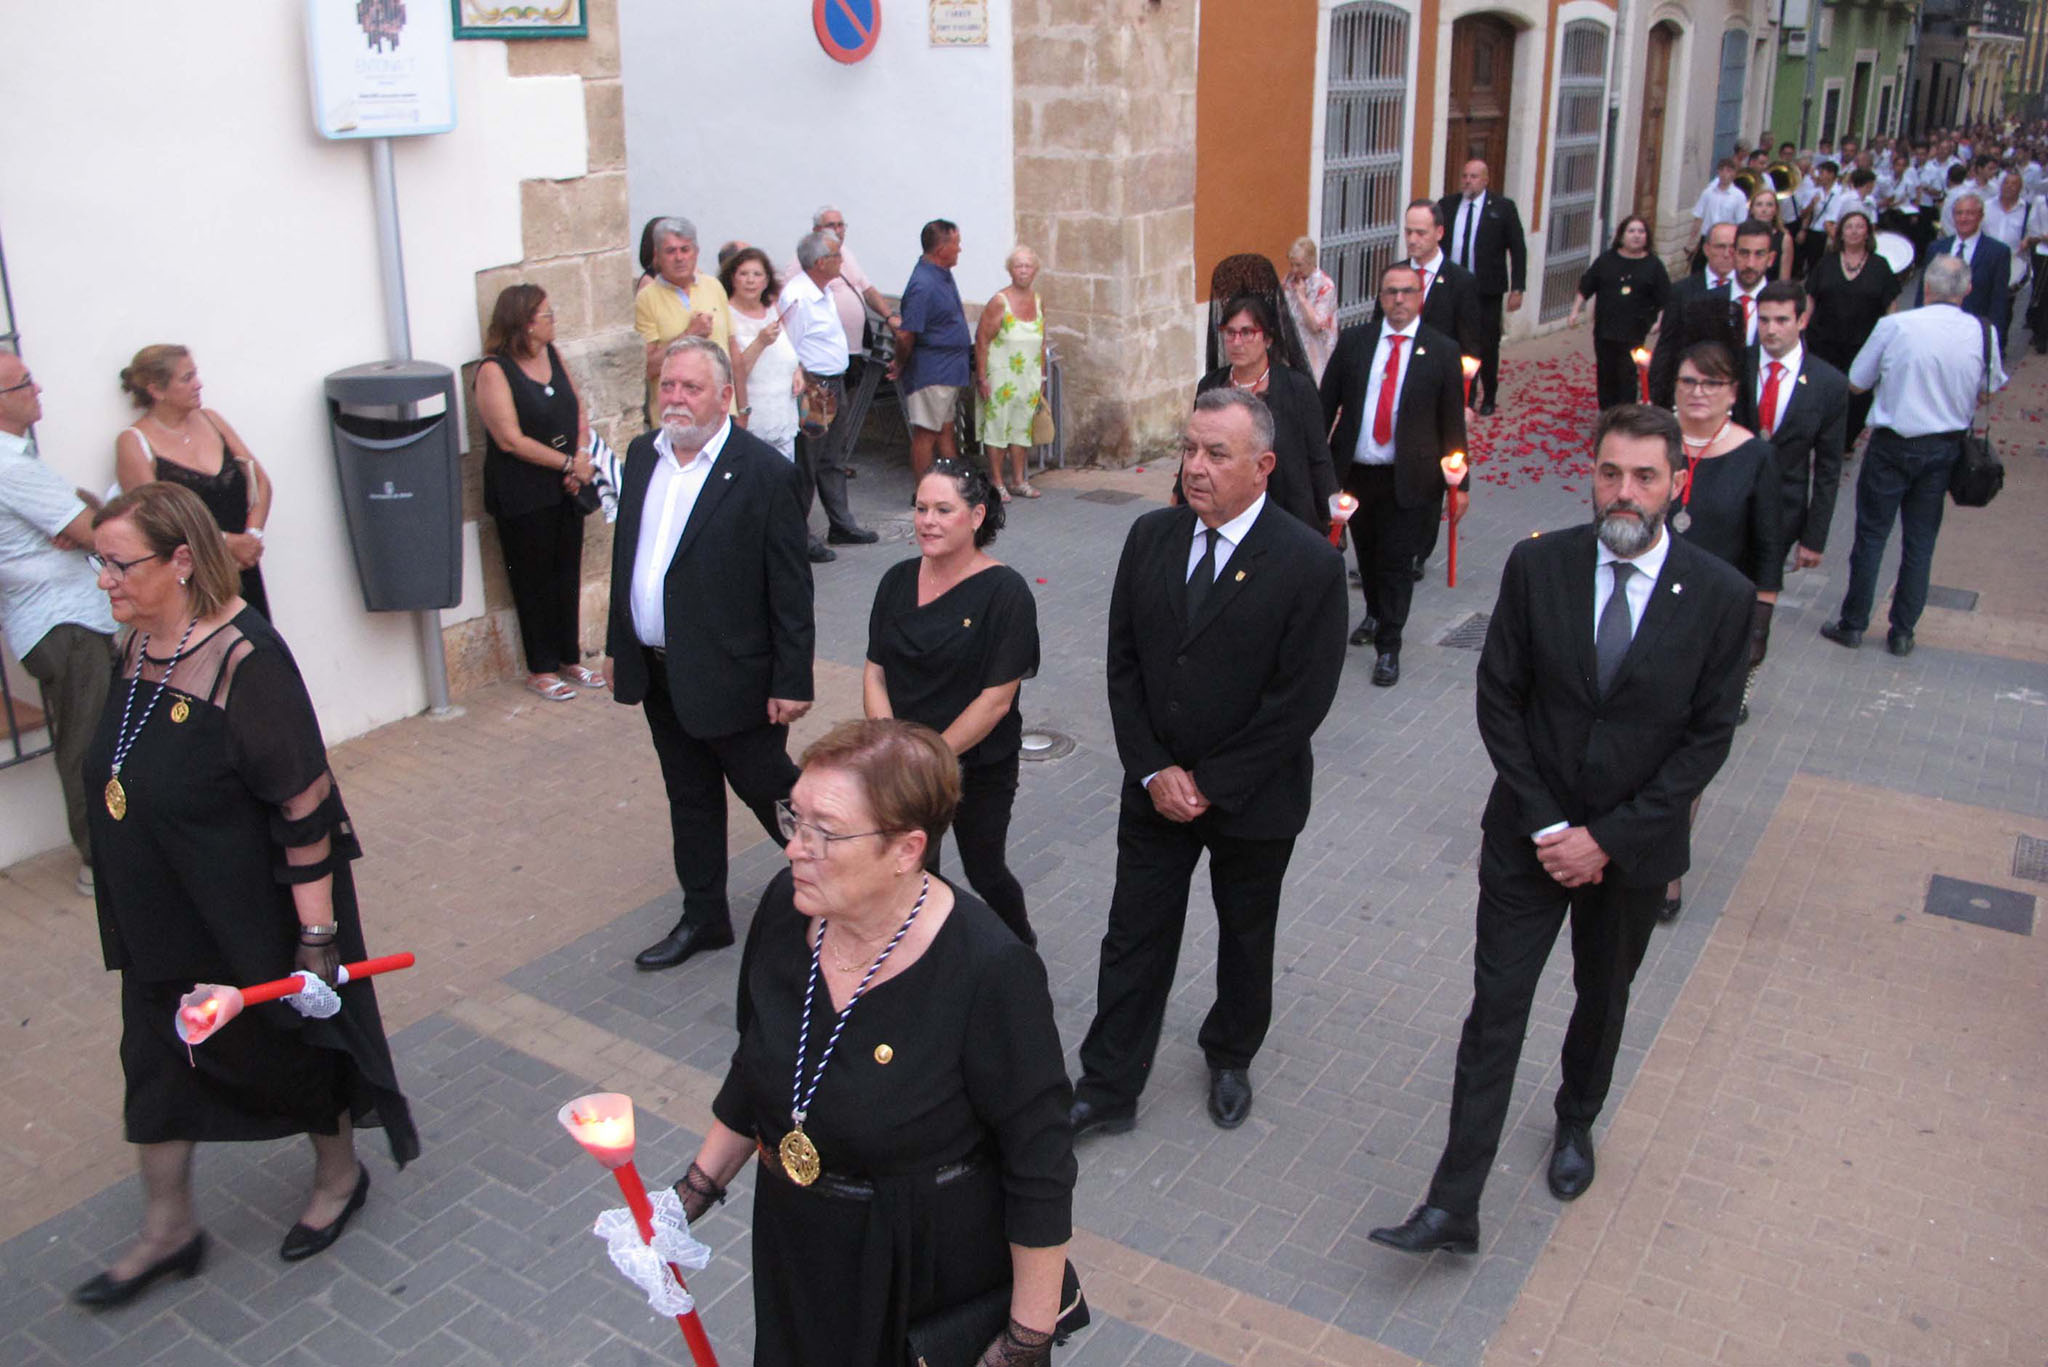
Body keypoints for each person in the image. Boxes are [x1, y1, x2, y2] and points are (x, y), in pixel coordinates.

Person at [1367, 405, 1752, 1258]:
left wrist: (1605, 839)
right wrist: (1550, 824)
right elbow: (1499, 699)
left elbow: (1706, 741)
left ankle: (1576, 1120)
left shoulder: (1720, 597)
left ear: (1676, 483)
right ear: (1591, 474)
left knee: (1601, 997)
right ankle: (1452, 1201)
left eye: (1645, 477)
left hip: (1633, 850)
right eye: (1610, 472)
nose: (1624, 492)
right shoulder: (1539, 565)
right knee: (1495, 1012)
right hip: (1528, 840)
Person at [72, 482, 417, 1306]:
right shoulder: (134, 645)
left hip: (247, 916)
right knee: (156, 1061)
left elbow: (304, 808)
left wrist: (318, 940)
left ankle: (339, 1175)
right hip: (162, 918)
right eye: (100, 562)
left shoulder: (245, 662)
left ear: (182, 561)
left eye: (120, 564)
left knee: (289, 1050)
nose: (104, 581)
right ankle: (168, 1228)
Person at [673, 718, 1076, 1367]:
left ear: (905, 848)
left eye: (823, 832)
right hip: (796, 1242)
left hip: (915, 1265)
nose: (793, 849)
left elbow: (1040, 1165)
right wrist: (687, 1195)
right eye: (793, 818)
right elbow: (757, 1067)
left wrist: (1024, 1340)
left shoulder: (987, 968)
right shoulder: (788, 908)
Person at [1069, 389, 1347, 1138]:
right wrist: (1154, 769)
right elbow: (1123, 665)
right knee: (1133, 934)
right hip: (1156, 788)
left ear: (1263, 466)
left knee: (1245, 934)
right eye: (1189, 449)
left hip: (1252, 799)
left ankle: (1229, 1053)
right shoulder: (1151, 537)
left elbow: (1300, 702)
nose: (1195, 467)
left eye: (1215, 454)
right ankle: (1108, 1083)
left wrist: (1212, 784)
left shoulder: (1308, 564)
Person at [605, 338, 815, 971]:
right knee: (689, 796)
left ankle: (844, 890)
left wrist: (793, 677)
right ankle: (704, 917)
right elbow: (628, 560)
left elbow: (790, 588)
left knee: (775, 793)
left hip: (735, 677)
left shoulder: (764, 474)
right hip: (660, 671)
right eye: (668, 385)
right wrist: (621, 644)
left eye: (690, 388)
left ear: (726, 397)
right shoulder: (643, 455)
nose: (674, 398)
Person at [864, 461, 1039, 944]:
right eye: (921, 508)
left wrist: (931, 755)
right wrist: (892, 749)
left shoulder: (1007, 593)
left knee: (985, 870)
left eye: (944, 509)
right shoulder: (897, 581)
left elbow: (996, 700)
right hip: (905, 764)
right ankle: (930, 959)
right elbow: (875, 670)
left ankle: (1020, 947)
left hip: (976, 764)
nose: (928, 521)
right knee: (916, 871)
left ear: (977, 516)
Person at [1823, 255, 2007, 658]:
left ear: (1925, 287)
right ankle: (1903, 631)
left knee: (1872, 536)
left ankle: (1854, 623)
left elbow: (1856, 382)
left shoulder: (1895, 326)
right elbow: (1989, 389)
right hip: (1944, 447)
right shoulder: (1983, 332)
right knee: (1920, 541)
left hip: (1892, 443)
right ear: (1967, 290)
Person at [0, 351, 118, 897]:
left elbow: (83, 520)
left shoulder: (17, 459)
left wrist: (84, 521)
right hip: (61, 622)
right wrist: (87, 524)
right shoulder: (10, 466)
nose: (37, 387)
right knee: (87, 739)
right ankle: (101, 860)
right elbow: (98, 531)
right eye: (24, 383)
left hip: (61, 618)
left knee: (99, 732)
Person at [1319, 263, 1470, 686]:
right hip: (1358, 474)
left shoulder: (1440, 350)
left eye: (1407, 292)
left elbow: (1452, 423)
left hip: (1410, 477)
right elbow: (1324, 407)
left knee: (1398, 561)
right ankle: (1374, 612)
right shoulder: (1355, 343)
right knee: (1366, 555)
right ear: (1380, 297)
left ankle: (1390, 645)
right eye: (1390, 292)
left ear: (1420, 297)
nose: (1399, 300)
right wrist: (1319, 470)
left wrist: (1462, 485)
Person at [472, 285, 602, 702]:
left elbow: (577, 407)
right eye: (547, 314)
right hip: (523, 490)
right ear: (526, 322)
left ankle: (569, 657)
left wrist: (581, 455)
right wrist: (567, 465)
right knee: (532, 579)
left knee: (566, 572)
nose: (554, 319)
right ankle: (540, 668)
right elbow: (509, 439)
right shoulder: (494, 370)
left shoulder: (553, 354)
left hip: (566, 483)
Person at [1668, 341, 1780, 757]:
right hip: (1650, 601)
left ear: (1733, 392)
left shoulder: (1755, 456)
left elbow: (1768, 544)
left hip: (1714, 612)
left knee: (1692, 738)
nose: (1699, 392)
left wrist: (1760, 621)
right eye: (1689, 381)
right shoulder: (1652, 442)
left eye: (1712, 383)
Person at [114, 346, 274, 621]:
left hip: (242, 567)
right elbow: (154, 518)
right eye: (187, 378)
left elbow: (259, 480)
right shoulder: (134, 442)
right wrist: (224, 543)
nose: (198, 384)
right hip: (195, 580)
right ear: (156, 390)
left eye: (195, 375)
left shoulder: (212, 420)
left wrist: (252, 537)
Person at [1194, 294, 1338, 534]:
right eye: (1230, 332)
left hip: (1286, 506)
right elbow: (1196, 441)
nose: (1237, 342)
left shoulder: (1296, 387)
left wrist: (1330, 508)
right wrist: (1179, 494)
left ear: (1268, 338)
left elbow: (1318, 455)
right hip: (1226, 509)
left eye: (1247, 332)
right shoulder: (1211, 384)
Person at [777, 229, 878, 561]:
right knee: (808, 461)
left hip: (833, 381)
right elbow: (789, 345)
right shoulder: (799, 295)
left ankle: (841, 522)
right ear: (821, 262)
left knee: (833, 458)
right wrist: (805, 385)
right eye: (837, 256)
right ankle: (798, 534)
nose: (842, 261)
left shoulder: (825, 290)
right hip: (814, 385)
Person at [1746, 282, 1847, 581]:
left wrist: (1814, 538)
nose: (1771, 330)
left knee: (1761, 600)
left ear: (1801, 321)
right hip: (1731, 504)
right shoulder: (1738, 365)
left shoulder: (1828, 383)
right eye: (1763, 320)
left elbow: (1829, 467)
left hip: (1783, 511)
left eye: (1781, 320)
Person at [1804, 210, 1903, 447]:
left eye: (1860, 226)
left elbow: (1891, 304)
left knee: (1858, 397)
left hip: (1864, 344)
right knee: (1824, 392)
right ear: (1841, 232)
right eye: (1849, 226)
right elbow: (1810, 297)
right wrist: (1802, 328)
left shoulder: (1880, 265)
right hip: (1824, 341)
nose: (1854, 231)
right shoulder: (1826, 262)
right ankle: (1822, 436)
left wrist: (1891, 339)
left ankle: (1847, 439)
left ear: (1868, 232)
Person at [1440, 160, 1527, 414]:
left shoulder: (1503, 208)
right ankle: (1464, 395)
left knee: (1487, 343)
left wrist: (1518, 287)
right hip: (1453, 288)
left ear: (1486, 180)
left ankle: (1489, 395)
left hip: (1486, 289)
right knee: (1457, 341)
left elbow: (1518, 249)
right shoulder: (1448, 205)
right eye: (1465, 175)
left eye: (1474, 176)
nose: (1468, 180)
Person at [633, 217, 739, 426]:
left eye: (685, 249)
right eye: (671, 251)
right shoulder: (647, 298)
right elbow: (648, 367)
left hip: (722, 413)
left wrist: (742, 407)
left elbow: (732, 349)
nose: (679, 258)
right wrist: (690, 334)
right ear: (657, 256)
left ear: (696, 253)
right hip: (678, 416)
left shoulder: (714, 286)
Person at [894, 219, 974, 482]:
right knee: (926, 434)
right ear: (941, 249)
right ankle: (923, 492)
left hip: (948, 370)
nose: (960, 249)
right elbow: (907, 334)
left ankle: (953, 488)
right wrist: (900, 363)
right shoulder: (924, 284)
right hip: (933, 372)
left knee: (946, 430)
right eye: (956, 243)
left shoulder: (941, 273)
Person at [1568, 215, 1672, 410]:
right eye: (1631, 231)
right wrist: (1575, 311)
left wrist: (1659, 321)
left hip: (1634, 331)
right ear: (1622, 235)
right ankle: (1606, 413)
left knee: (1627, 374)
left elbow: (1664, 297)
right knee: (1606, 373)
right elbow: (1587, 286)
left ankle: (1625, 415)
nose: (1636, 236)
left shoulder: (1653, 265)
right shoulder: (1607, 260)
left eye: (1641, 232)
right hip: (1605, 329)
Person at [974, 246, 1050, 501]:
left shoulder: (1038, 301)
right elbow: (982, 339)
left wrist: (1042, 377)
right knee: (997, 427)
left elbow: (1041, 342)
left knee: (1021, 427)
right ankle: (997, 481)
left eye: (1028, 265)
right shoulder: (999, 301)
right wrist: (982, 377)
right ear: (1010, 270)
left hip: (1027, 377)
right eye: (1019, 265)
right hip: (1001, 377)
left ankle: (1018, 480)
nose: (1024, 270)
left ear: (1035, 269)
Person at [721, 248, 803, 464]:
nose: (750, 281)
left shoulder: (774, 309)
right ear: (732, 278)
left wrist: (797, 371)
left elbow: (789, 351)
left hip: (782, 416)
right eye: (743, 274)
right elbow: (731, 372)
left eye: (757, 275)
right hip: (751, 420)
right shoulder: (725, 314)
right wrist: (760, 342)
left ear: (766, 281)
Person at [1648, 222, 1741, 408]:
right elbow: (1667, 346)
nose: (1727, 253)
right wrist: (1658, 398)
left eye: (1733, 247)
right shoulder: (1682, 291)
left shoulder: (1747, 293)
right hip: (1690, 391)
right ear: (1706, 249)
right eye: (1720, 247)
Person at [1918, 193, 2013, 343]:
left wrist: (1994, 341)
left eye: (1970, 213)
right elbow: (1922, 292)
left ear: (1981, 216)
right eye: (1959, 213)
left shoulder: (1998, 252)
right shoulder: (1936, 248)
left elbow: (1998, 301)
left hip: (1974, 334)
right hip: (1937, 331)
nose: (1963, 218)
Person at [1282, 236, 1340, 382]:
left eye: (1299, 265)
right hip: (1293, 352)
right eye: (1292, 265)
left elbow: (1316, 326)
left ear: (1311, 262)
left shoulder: (1325, 286)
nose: (1294, 270)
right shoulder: (1289, 280)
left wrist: (1302, 298)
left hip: (1317, 356)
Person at [1690, 159, 1751, 267]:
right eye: (1721, 170)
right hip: (1707, 238)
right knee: (1698, 268)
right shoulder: (1708, 192)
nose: (1724, 174)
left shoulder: (1739, 196)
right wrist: (1691, 241)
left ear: (1734, 173)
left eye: (1728, 171)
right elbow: (1698, 216)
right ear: (1718, 172)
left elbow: (1741, 223)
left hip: (1726, 240)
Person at [1747, 187, 1795, 281]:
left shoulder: (1784, 239)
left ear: (1775, 210)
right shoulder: (1741, 235)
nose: (1764, 209)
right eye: (1759, 205)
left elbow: (1784, 279)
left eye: (1769, 205)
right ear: (1752, 209)